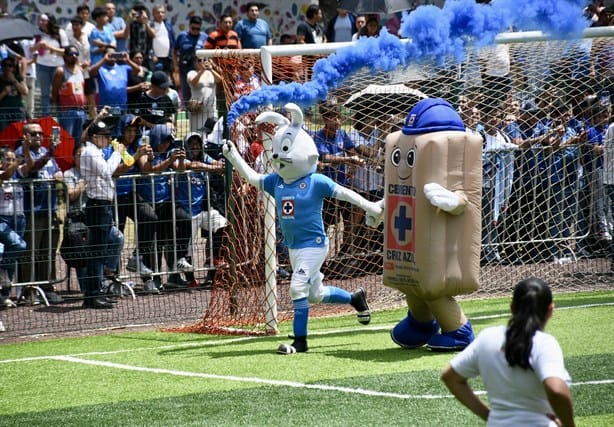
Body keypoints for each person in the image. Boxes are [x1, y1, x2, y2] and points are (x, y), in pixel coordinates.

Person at [222, 103, 380, 354]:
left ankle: (300, 342)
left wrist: (371, 206)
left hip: (315, 245)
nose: (277, 156)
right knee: (315, 293)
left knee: (297, 287)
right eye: (277, 150)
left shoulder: (315, 181)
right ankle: (355, 299)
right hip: (295, 248)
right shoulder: (277, 181)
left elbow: (346, 194)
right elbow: (253, 178)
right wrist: (233, 156)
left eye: (284, 149)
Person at [441, 277, 575, 427]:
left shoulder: (487, 337)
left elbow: (450, 377)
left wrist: (489, 416)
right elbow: (556, 391)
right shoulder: (545, 343)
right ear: (550, 310)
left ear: (512, 307)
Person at [17, 122, 64, 303]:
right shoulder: (22, 152)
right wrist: (51, 151)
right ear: (25, 136)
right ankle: (28, 290)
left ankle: (47, 286)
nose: (38, 136)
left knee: (48, 250)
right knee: (31, 252)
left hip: (49, 208)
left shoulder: (46, 151)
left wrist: (59, 175)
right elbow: (33, 167)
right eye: (34, 134)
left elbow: (55, 169)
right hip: (31, 211)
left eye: (40, 133)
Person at [80, 120, 124, 309]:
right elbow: (106, 172)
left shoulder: (95, 151)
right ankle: (93, 293)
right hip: (97, 205)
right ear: (95, 137)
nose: (108, 139)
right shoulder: (90, 151)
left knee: (109, 243)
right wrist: (117, 154)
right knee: (97, 252)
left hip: (102, 205)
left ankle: (95, 291)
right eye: (105, 136)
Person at [313, 102, 364, 255]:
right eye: (333, 118)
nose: (337, 122)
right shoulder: (318, 137)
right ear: (325, 119)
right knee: (325, 224)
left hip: (342, 184)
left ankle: (345, 250)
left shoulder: (342, 134)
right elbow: (324, 157)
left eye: (339, 118)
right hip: (326, 189)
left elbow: (352, 151)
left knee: (356, 210)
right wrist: (348, 160)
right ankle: (321, 255)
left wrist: (353, 164)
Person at [0, 143, 33, 307]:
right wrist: (19, 159)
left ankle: (4, 295)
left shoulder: (18, 174)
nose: (11, 162)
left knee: (12, 256)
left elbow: (30, 166)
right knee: (19, 244)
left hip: (19, 218)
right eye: (8, 159)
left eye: (13, 159)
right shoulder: (2, 174)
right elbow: (5, 175)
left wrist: (26, 149)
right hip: (2, 219)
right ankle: (2, 272)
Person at [32, 14, 68, 117]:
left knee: (58, 92)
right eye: (40, 20)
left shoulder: (60, 33)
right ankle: (45, 116)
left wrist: (51, 48)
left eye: (44, 20)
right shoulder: (38, 33)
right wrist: (37, 46)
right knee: (45, 93)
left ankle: (60, 114)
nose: (41, 23)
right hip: (42, 65)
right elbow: (31, 50)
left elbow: (65, 51)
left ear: (50, 21)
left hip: (57, 66)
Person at [51, 45, 87, 145]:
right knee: (66, 140)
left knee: (79, 141)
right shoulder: (61, 71)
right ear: (65, 56)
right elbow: (54, 92)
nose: (74, 56)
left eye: (76, 54)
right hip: (67, 111)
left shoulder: (81, 70)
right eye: (71, 54)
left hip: (81, 111)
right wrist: (60, 108)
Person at [89, 48, 140, 114]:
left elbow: (137, 70)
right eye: (110, 55)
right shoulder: (101, 69)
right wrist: (104, 60)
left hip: (122, 108)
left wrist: (128, 60)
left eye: (114, 54)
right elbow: (91, 72)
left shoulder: (123, 68)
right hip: (105, 109)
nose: (112, 56)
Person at [173, 16, 207, 104]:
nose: (195, 31)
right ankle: (188, 116)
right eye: (193, 28)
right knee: (186, 95)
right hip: (184, 70)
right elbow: (174, 51)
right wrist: (176, 65)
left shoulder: (204, 37)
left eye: (198, 29)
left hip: (199, 71)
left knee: (200, 94)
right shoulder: (182, 36)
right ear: (189, 26)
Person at [187, 57, 222, 130]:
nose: (202, 62)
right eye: (199, 60)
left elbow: (219, 80)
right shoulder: (192, 73)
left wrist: (211, 69)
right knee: (198, 132)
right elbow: (193, 83)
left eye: (205, 60)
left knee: (212, 131)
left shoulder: (210, 73)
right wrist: (202, 71)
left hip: (211, 107)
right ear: (195, 63)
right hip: (197, 108)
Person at [123, 3, 155, 72]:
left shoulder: (149, 23)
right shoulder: (131, 23)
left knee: (148, 74)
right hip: (134, 56)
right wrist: (129, 20)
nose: (139, 14)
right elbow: (125, 35)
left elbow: (153, 35)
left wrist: (145, 22)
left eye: (141, 12)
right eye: (137, 12)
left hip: (146, 55)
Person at [0, 56, 28, 132]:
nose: (7, 68)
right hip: (3, 111)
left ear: (14, 68)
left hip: (18, 110)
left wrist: (14, 81)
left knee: (18, 132)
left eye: (10, 65)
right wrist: (4, 92)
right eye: (5, 65)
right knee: (4, 133)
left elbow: (25, 92)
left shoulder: (18, 78)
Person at [150, 4, 176, 75]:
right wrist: (152, 54)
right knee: (157, 78)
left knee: (167, 80)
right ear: (153, 13)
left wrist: (174, 58)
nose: (160, 14)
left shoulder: (168, 25)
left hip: (168, 58)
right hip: (156, 59)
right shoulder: (150, 25)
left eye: (162, 12)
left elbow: (173, 42)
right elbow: (147, 42)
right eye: (158, 12)